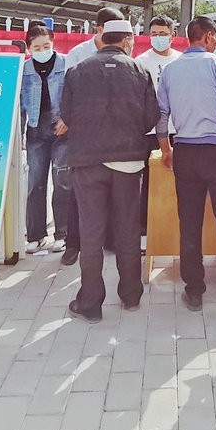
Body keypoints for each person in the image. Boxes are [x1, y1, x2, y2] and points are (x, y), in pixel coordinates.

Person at [59, 19, 160, 323]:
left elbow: (67, 115)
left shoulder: (78, 71)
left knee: (91, 233)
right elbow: (151, 117)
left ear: (103, 39)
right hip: (128, 161)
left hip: (87, 162)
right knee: (128, 229)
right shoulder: (140, 71)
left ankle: (90, 303)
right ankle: (130, 295)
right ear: (127, 40)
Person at [156, 16, 216, 315]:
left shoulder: (170, 70)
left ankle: (194, 291)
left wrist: (166, 149)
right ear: (209, 37)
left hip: (185, 151)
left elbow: (161, 115)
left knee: (190, 222)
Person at [60, 7, 126, 266]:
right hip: (86, 137)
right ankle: (73, 244)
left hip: (115, 136)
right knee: (79, 194)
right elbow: (68, 94)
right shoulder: (78, 54)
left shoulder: (125, 55)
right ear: (99, 29)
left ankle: (110, 239)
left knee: (112, 192)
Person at [20, 23, 70, 254]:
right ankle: (36, 235)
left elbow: (75, 95)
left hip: (62, 129)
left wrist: (68, 119)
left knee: (62, 182)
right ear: (29, 48)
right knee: (35, 183)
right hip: (36, 130)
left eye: (46, 46)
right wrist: (20, 135)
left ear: (53, 43)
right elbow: (18, 106)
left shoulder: (66, 64)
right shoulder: (24, 70)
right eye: (37, 48)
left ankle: (63, 234)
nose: (42, 51)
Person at [135, 15, 182, 237]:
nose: (158, 38)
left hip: (178, 130)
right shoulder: (141, 62)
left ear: (173, 36)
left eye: (163, 34)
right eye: (154, 34)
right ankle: (146, 226)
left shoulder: (182, 60)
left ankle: (174, 225)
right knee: (149, 179)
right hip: (149, 132)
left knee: (178, 179)